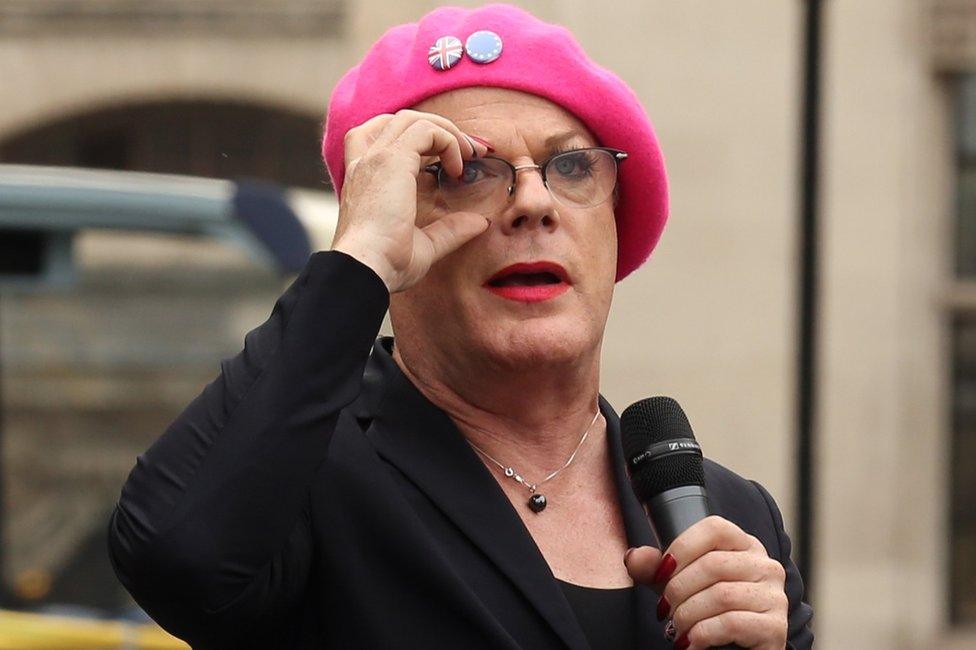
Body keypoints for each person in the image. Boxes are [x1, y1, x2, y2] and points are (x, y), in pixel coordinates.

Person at [107, 4, 814, 649]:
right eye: (468, 169)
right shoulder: (299, 473)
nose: (533, 202)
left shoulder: (729, 516)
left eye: (570, 165)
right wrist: (357, 264)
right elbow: (177, 558)